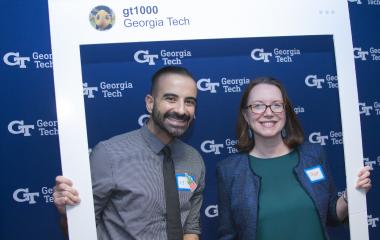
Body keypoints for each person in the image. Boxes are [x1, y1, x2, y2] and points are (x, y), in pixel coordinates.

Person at [53, 66, 205, 240]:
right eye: (170, 99)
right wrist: (69, 213)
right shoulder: (108, 154)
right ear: (150, 103)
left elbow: (191, 228)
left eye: (189, 102)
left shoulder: (194, 160)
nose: (181, 110)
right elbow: (80, 228)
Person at [216, 76, 372, 240]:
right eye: (258, 106)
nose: (268, 112)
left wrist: (351, 196)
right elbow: (228, 235)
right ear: (246, 115)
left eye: (277, 105)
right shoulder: (229, 171)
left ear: (286, 112)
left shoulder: (313, 155)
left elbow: (331, 216)